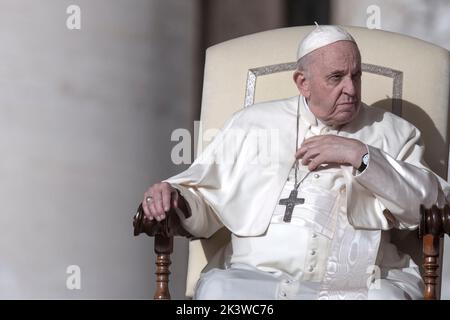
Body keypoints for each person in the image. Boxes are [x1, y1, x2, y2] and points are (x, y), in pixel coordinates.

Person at [141, 25, 449, 300]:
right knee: (218, 292)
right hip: (257, 281)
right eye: (336, 78)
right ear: (303, 82)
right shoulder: (252, 125)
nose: (351, 89)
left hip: (359, 283)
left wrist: (361, 155)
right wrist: (174, 197)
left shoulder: (395, 132)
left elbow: (431, 202)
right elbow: (206, 197)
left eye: (356, 75)